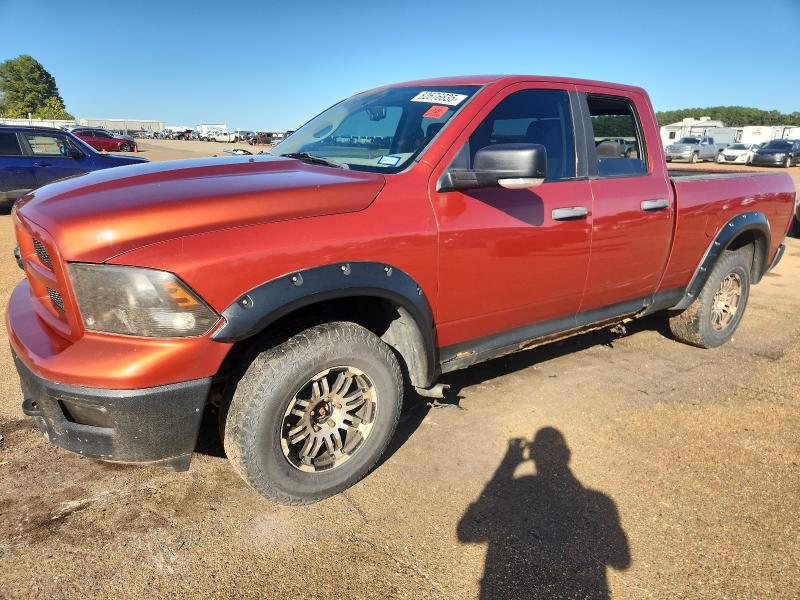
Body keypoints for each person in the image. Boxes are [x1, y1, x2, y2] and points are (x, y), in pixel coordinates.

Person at [457, 427, 630, 599]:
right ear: (567, 454)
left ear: (532, 454)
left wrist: (508, 464)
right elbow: (621, 560)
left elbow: (467, 531)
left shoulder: (520, 488)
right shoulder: (599, 501)